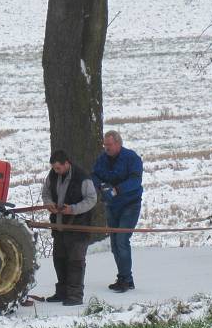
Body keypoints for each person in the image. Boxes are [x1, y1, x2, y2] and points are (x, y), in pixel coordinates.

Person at [41, 149, 97, 306]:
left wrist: (73, 209)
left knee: (75, 262)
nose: (55, 171)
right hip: (59, 227)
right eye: (54, 168)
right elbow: (45, 193)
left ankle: (75, 296)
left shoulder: (82, 177)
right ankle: (62, 293)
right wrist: (49, 203)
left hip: (78, 227)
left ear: (67, 163)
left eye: (58, 168)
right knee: (59, 260)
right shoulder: (52, 175)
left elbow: (92, 199)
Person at [92, 130, 143, 293]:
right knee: (114, 243)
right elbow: (95, 175)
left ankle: (127, 280)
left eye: (109, 145)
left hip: (130, 205)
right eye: (105, 145)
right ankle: (122, 277)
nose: (106, 148)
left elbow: (135, 181)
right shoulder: (102, 159)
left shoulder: (132, 158)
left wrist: (116, 190)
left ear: (118, 143)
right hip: (112, 206)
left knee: (122, 240)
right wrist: (101, 185)